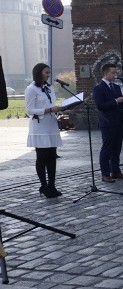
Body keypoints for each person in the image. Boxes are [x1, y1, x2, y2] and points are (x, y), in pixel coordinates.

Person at [25, 63, 64, 197]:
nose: (48, 75)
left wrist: (59, 109)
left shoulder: (49, 88)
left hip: (51, 124)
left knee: (52, 157)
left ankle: (52, 186)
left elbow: (51, 104)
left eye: (49, 72)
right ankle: (44, 186)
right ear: (38, 73)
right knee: (42, 157)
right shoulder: (31, 89)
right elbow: (29, 110)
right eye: (46, 72)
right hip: (39, 126)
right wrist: (48, 110)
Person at [93, 63, 123, 183]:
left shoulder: (116, 87)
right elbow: (100, 106)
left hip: (119, 121)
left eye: (115, 72)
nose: (115, 75)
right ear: (105, 73)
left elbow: (120, 105)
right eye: (113, 73)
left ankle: (115, 171)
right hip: (107, 122)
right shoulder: (99, 88)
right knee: (107, 148)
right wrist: (116, 101)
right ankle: (105, 174)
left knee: (117, 148)